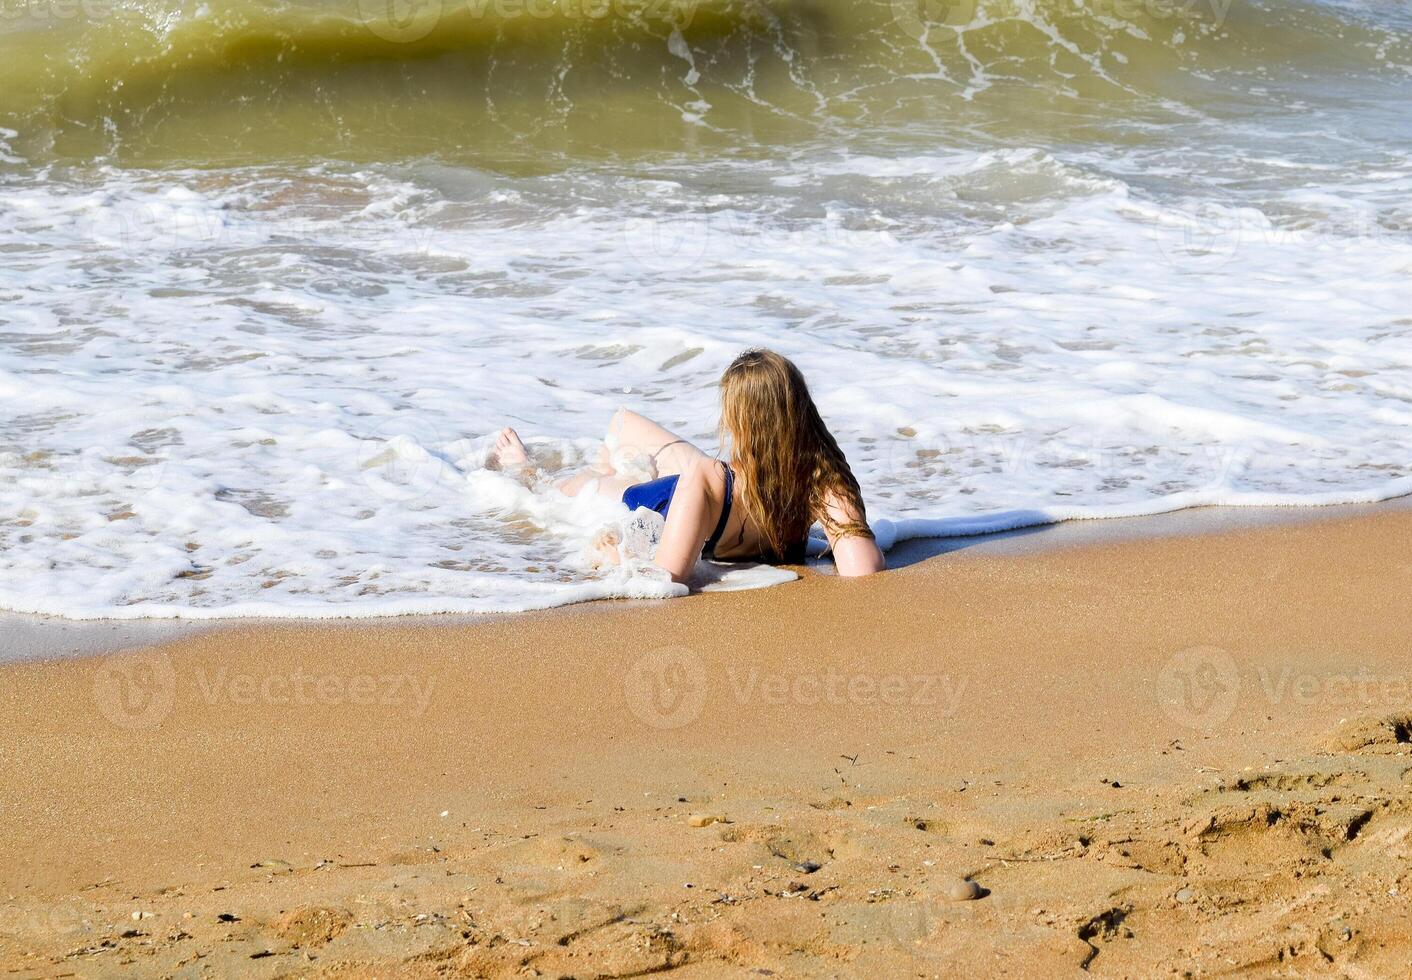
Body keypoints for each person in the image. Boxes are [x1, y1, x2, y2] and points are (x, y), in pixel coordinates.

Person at [491, 349, 886, 583]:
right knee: (561, 490)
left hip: (699, 492)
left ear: (741, 424)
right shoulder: (818, 481)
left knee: (659, 461)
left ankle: (610, 452)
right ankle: (527, 468)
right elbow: (860, 562)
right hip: (646, 500)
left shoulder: (817, 481)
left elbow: (666, 579)